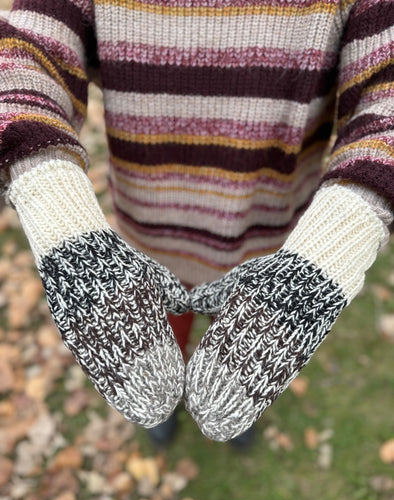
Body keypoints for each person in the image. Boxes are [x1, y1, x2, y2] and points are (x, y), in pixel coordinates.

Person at [0, 0, 392, 445]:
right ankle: (163, 410)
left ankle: (240, 416)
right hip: (147, 238)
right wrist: (57, 214)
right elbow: (24, 51)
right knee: (164, 326)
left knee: (246, 347)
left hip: (275, 250)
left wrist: (331, 251)